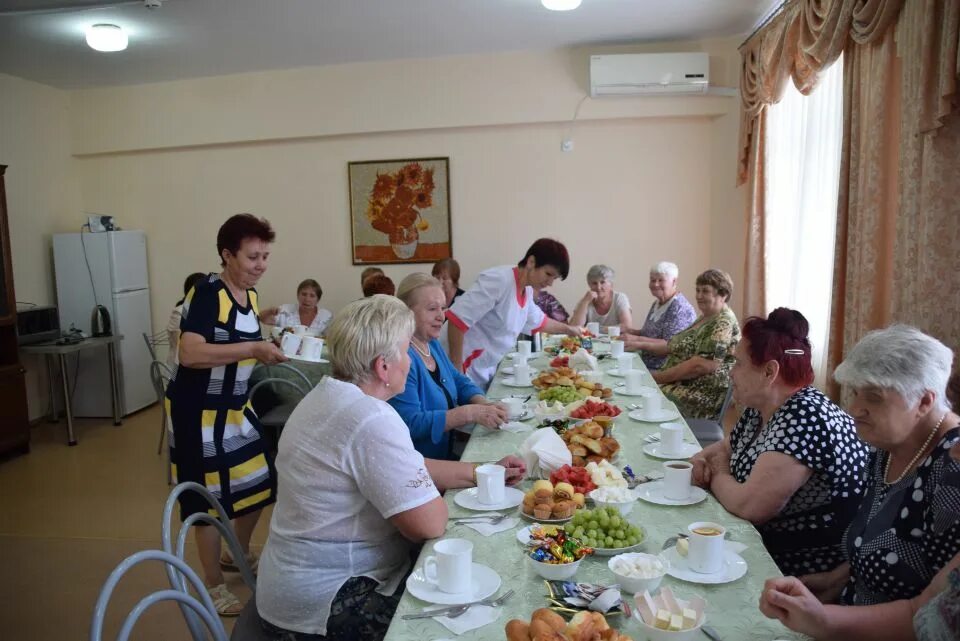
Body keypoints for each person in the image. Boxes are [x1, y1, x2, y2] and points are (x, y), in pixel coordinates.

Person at [255, 295, 526, 640]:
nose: (411, 362)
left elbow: (408, 465)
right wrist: (432, 497)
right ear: (383, 366)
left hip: (287, 589)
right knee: (481, 613)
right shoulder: (370, 419)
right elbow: (429, 524)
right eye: (405, 351)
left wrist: (484, 471)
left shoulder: (327, 395)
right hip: (323, 605)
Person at [756, 325, 960, 641]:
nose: (854, 410)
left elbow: (926, 616)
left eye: (874, 398)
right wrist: (835, 580)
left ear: (924, 402)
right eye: (855, 393)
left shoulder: (952, 475)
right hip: (845, 614)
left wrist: (826, 619)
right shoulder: (887, 446)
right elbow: (880, 540)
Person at [165, 213, 287, 616]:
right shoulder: (206, 293)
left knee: (259, 479)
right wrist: (253, 349)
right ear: (227, 255)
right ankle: (213, 584)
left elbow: (239, 340)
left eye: (265, 256)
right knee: (205, 500)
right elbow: (191, 352)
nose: (261, 265)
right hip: (195, 413)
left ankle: (234, 551)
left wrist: (266, 340)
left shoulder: (250, 297)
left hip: (234, 408)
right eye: (253, 257)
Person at [691, 308, 869, 576]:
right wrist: (698, 459)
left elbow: (748, 506)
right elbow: (726, 447)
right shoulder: (763, 404)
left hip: (799, 568)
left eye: (738, 363)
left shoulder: (806, 418)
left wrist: (718, 471)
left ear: (769, 372)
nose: (731, 373)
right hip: (758, 542)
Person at [759, 446, 960, 641]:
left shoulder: (948, 476)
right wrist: (822, 617)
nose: (955, 450)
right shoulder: (881, 454)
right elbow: (916, 612)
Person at [389, 274, 508, 459]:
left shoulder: (431, 344)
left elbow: (458, 380)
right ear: (406, 312)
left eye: (443, 308)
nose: (441, 316)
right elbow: (410, 423)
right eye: (432, 309)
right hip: (420, 466)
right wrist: (468, 414)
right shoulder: (402, 358)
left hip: (445, 454)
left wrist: (484, 404)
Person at [445, 238, 583, 389]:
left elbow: (539, 321)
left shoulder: (528, 290)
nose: (550, 283)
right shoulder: (499, 280)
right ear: (531, 262)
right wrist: (456, 371)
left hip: (480, 369)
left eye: (554, 278)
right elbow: (456, 320)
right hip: (457, 366)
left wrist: (568, 329)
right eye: (548, 274)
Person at [631, 269, 740, 419]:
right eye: (698, 290)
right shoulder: (706, 317)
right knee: (633, 387)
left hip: (699, 394)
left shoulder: (723, 322)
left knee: (637, 395)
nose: (699, 296)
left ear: (723, 294)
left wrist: (657, 377)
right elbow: (674, 346)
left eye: (706, 291)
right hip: (682, 384)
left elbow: (702, 365)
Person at [620, 261, 697, 369]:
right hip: (644, 361)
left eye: (661, 280)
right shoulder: (658, 303)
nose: (656, 284)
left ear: (674, 282)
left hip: (664, 369)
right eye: (653, 280)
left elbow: (669, 346)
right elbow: (650, 334)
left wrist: (636, 341)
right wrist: (630, 331)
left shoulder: (679, 308)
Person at [569, 264, 633, 330]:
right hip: (591, 340)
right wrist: (585, 302)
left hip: (616, 339)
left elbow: (627, 326)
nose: (598, 287)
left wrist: (597, 329)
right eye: (594, 283)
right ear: (589, 285)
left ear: (611, 284)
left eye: (602, 282)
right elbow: (574, 328)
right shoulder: (585, 300)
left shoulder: (619, 298)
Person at [166, 272, 206, 371]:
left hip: (199, 366)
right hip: (179, 369)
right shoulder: (179, 313)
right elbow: (185, 347)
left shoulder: (206, 310)